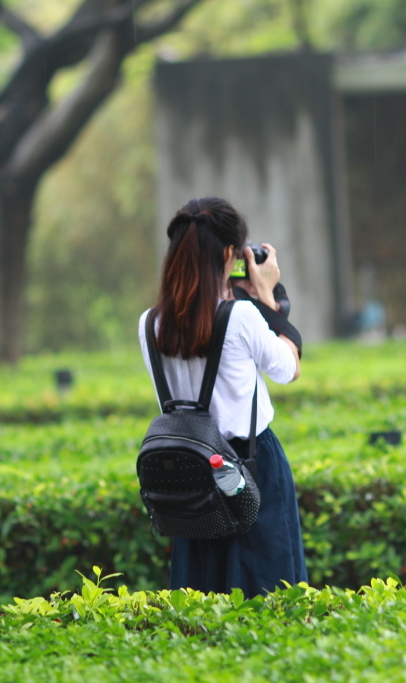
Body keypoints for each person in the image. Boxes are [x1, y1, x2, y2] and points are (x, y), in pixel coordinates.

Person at [138, 196, 307, 597]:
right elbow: (289, 368)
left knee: (198, 596)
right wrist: (265, 296)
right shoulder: (243, 317)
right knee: (269, 594)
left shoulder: (150, 324)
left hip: (189, 464)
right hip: (253, 465)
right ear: (231, 254)